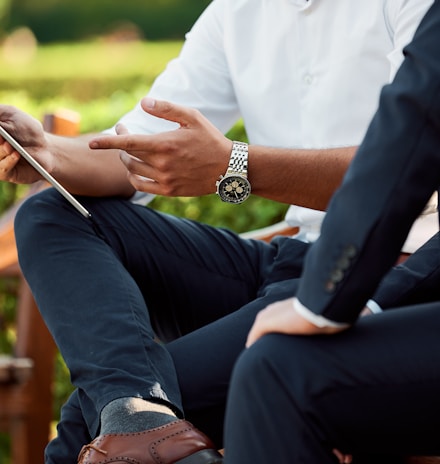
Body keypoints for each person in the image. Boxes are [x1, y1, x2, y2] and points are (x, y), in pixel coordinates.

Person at [0, 0, 435, 463]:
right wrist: (45, 151)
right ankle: (139, 414)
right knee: (51, 213)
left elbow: (408, 165)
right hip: (290, 260)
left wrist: (237, 165)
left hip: (389, 271)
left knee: (82, 430)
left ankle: (136, 418)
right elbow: (136, 149)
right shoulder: (236, 11)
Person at [223, 1, 440, 462]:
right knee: (107, 405)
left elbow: (414, 127)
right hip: (300, 265)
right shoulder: (233, 12)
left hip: (362, 274)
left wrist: (324, 302)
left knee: (275, 373)